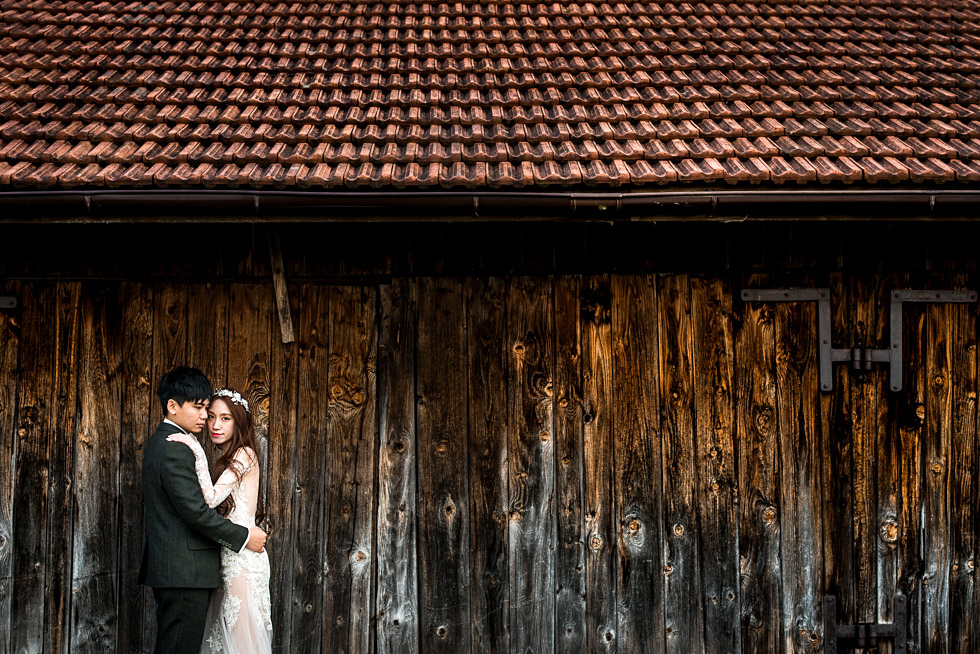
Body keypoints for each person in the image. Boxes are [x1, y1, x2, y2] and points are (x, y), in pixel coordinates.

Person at [139, 366, 268, 653]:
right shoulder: (175, 447)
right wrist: (245, 537)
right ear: (172, 406)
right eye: (200, 410)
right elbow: (198, 511)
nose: (205, 419)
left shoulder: (171, 444)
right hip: (184, 571)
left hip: (194, 569)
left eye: (207, 410)